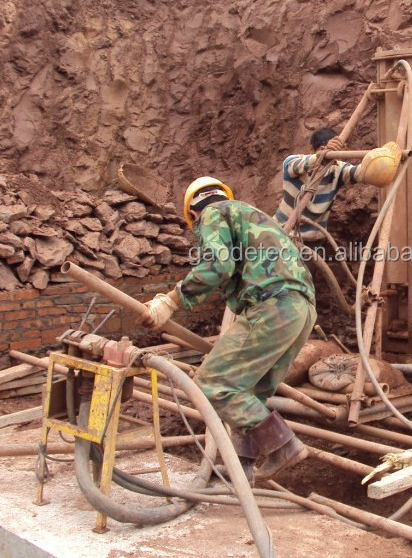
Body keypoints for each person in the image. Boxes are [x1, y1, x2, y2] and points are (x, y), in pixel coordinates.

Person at [139, 176, 317, 482]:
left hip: (271, 306)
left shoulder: (213, 214)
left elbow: (217, 266)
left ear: (192, 213)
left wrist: (170, 301)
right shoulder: (250, 216)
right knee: (248, 393)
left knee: (212, 383)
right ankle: (242, 467)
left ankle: (285, 445)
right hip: (301, 310)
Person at [274, 127, 362, 246]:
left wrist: (377, 162)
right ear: (311, 149)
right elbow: (294, 165)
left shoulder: (337, 170)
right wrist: (321, 156)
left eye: (334, 152)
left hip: (313, 241)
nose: (329, 157)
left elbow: (359, 173)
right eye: (323, 150)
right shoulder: (294, 162)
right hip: (282, 233)